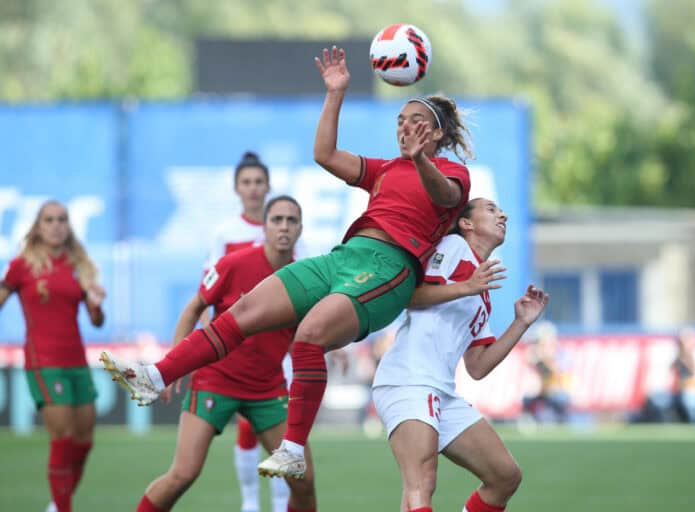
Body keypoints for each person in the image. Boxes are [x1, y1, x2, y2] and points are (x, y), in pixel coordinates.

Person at [101, 44, 477, 480]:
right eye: (400, 120)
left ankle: (294, 447)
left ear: (438, 134)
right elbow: (325, 155)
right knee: (241, 309)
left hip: (390, 271)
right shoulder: (387, 168)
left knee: (308, 335)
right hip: (346, 257)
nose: (405, 128)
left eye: (416, 122)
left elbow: (447, 197)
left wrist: (419, 161)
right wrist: (335, 94)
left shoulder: (454, 173)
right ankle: (155, 377)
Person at [135, 196, 317, 512]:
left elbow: (299, 333)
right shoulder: (234, 264)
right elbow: (194, 309)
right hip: (215, 381)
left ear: (301, 228)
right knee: (183, 474)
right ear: (264, 226)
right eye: (277, 220)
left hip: (267, 389)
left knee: (303, 482)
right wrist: (173, 367)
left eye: (291, 220)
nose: (284, 227)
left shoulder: (307, 277)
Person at [372, 198, 549, 512]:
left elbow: (478, 366)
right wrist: (466, 286)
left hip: (442, 391)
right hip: (407, 380)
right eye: (492, 209)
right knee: (421, 483)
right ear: (466, 223)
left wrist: (521, 323)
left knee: (504, 476)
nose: (503, 214)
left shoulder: (481, 289)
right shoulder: (453, 247)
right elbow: (409, 296)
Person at [0, 200, 106, 512]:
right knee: (63, 437)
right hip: (43, 361)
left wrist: (97, 303)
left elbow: (97, 320)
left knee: (84, 442)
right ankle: (63, 508)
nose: (56, 225)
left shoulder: (79, 265)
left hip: (76, 360)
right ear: (38, 226)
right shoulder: (23, 265)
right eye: (49, 220)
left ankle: (56, 505)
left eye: (62, 219)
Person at [204, 150, 294, 512]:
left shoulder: (285, 227)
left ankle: (279, 503)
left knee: (282, 436)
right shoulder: (225, 234)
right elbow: (208, 292)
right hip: (238, 348)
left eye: (259, 182)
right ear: (236, 188)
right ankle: (250, 503)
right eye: (247, 182)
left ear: (268, 186)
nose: (254, 189)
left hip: (279, 348)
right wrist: (206, 345)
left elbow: (303, 282)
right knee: (246, 427)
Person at [521, 321, 570, 424]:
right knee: (529, 394)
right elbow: (531, 364)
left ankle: (560, 419)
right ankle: (530, 418)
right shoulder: (536, 354)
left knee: (560, 398)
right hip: (541, 391)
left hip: (556, 391)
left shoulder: (560, 353)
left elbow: (557, 373)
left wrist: (544, 359)